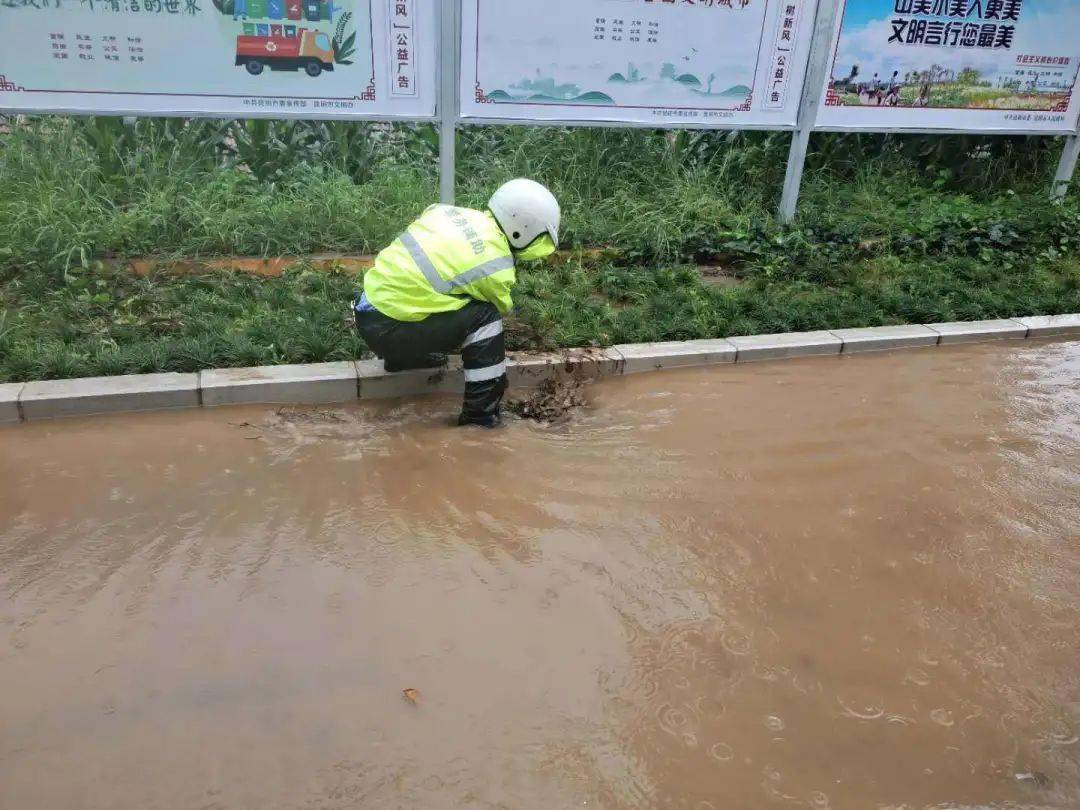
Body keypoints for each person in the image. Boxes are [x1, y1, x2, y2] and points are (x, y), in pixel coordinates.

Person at [353, 178, 561, 428]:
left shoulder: (450, 212)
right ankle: (479, 417)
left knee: (440, 297)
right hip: (392, 330)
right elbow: (501, 309)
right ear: (524, 229)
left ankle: (405, 358)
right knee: (486, 318)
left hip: (367, 313)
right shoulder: (498, 266)